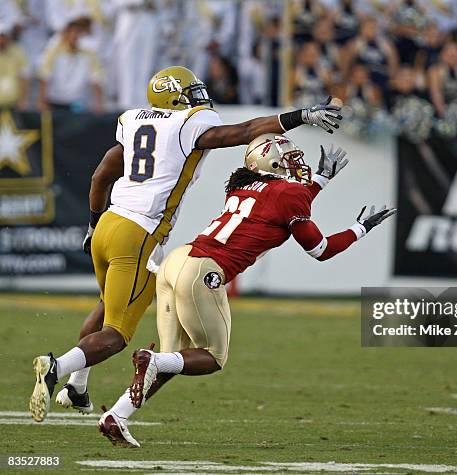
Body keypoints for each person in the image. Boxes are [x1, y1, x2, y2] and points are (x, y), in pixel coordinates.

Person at [28, 66, 343, 423]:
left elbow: (102, 173)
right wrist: (301, 115)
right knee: (117, 333)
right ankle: (56, 367)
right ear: (175, 98)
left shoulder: (133, 119)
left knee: (106, 306)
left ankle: (77, 387)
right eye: (191, 93)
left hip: (108, 223)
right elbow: (244, 131)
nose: (199, 99)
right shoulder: (186, 124)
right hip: (139, 233)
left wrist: (92, 222)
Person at [98, 133, 396, 447]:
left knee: (176, 359)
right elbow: (319, 249)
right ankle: (152, 362)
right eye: (289, 156)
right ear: (271, 161)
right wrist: (360, 228)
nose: (297, 161)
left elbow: (286, 201)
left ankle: (116, 415)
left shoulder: (244, 187)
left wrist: (321, 180)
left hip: (178, 261)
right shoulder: (288, 193)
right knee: (211, 357)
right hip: (203, 270)